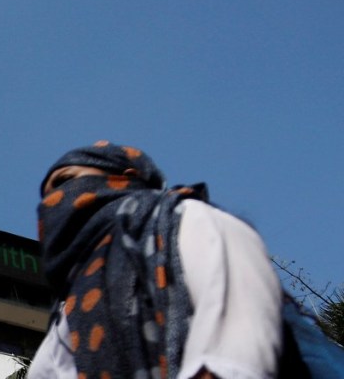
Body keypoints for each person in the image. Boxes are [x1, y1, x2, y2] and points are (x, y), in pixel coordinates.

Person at [28, 141, 283, 379]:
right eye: (46, 197)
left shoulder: (186, 219)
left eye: (64, 181)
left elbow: (238, 330)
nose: (53, 202)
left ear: (125, 177)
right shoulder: (69, 309)